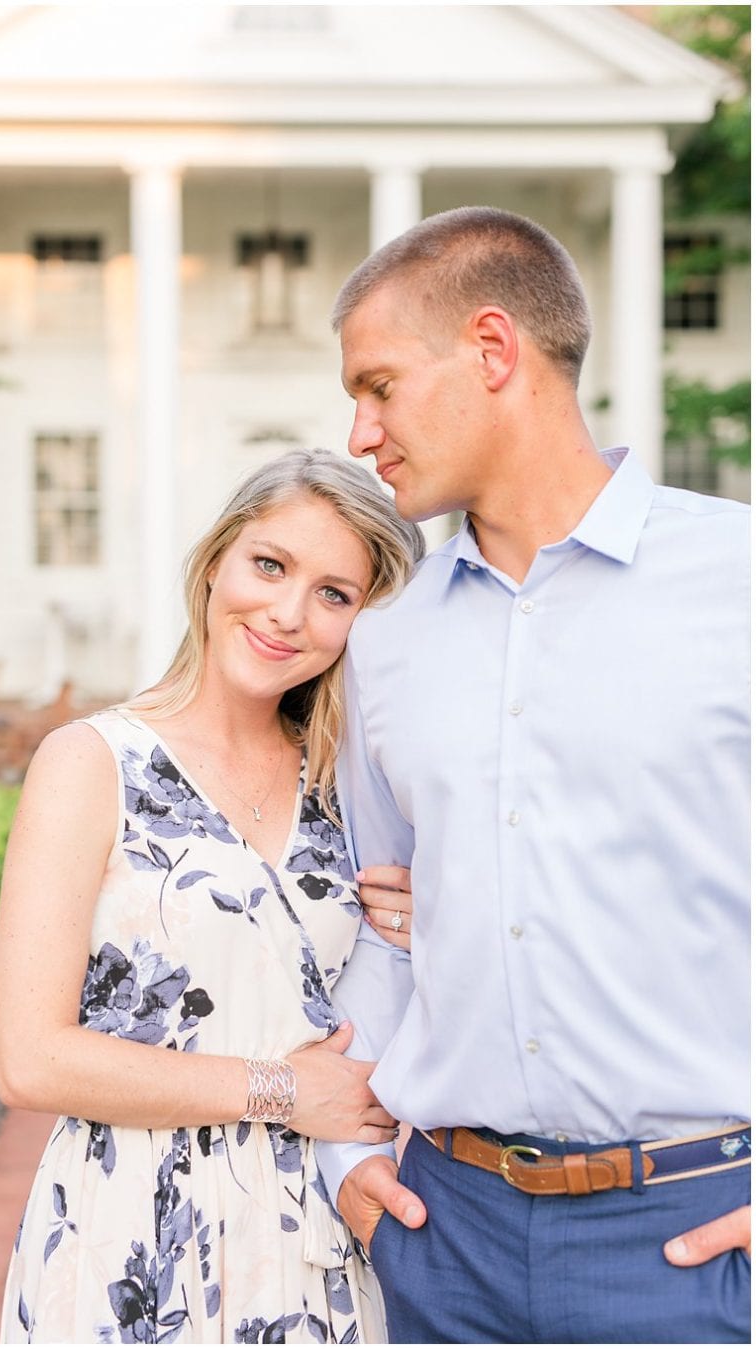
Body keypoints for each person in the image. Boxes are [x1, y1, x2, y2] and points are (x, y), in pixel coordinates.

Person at [321, 206, 750, 1343]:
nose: (359, 433)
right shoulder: (384, 640)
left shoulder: (739, 585)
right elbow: (387, 922)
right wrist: (348, 1157)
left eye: (379, 386)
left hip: (693, 1239)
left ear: (494, 349)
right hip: (443, 1234)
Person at [0, 448, 424, 1343]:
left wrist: (436, 923)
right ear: (217, 560)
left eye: (335, 594)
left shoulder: (352, 786)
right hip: (132, 1230)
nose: (286, 613)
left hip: (322, 1230)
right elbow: (29, 1059)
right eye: (270, 565)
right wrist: (277, 1090)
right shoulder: (91, 763)